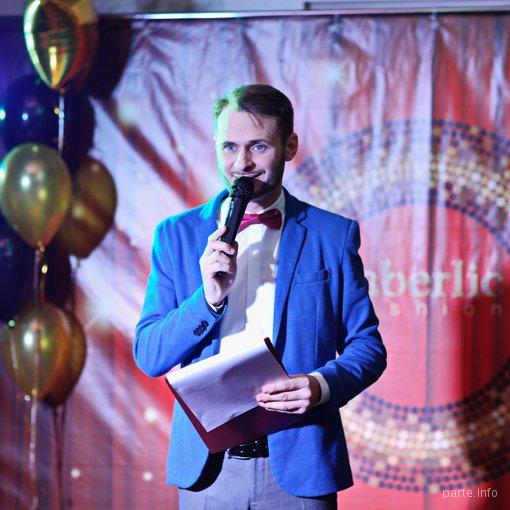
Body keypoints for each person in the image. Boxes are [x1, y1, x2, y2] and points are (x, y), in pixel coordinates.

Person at [134, 84, 387, 509]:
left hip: (300, 466)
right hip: (208, 474)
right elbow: (149, 354)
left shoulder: (332, 235)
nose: (241, 164)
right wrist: (207, 301)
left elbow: (368, 347)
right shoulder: (176, 235)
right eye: (229, 147)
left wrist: (321, 385)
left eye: (258, 146)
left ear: (290, 146)